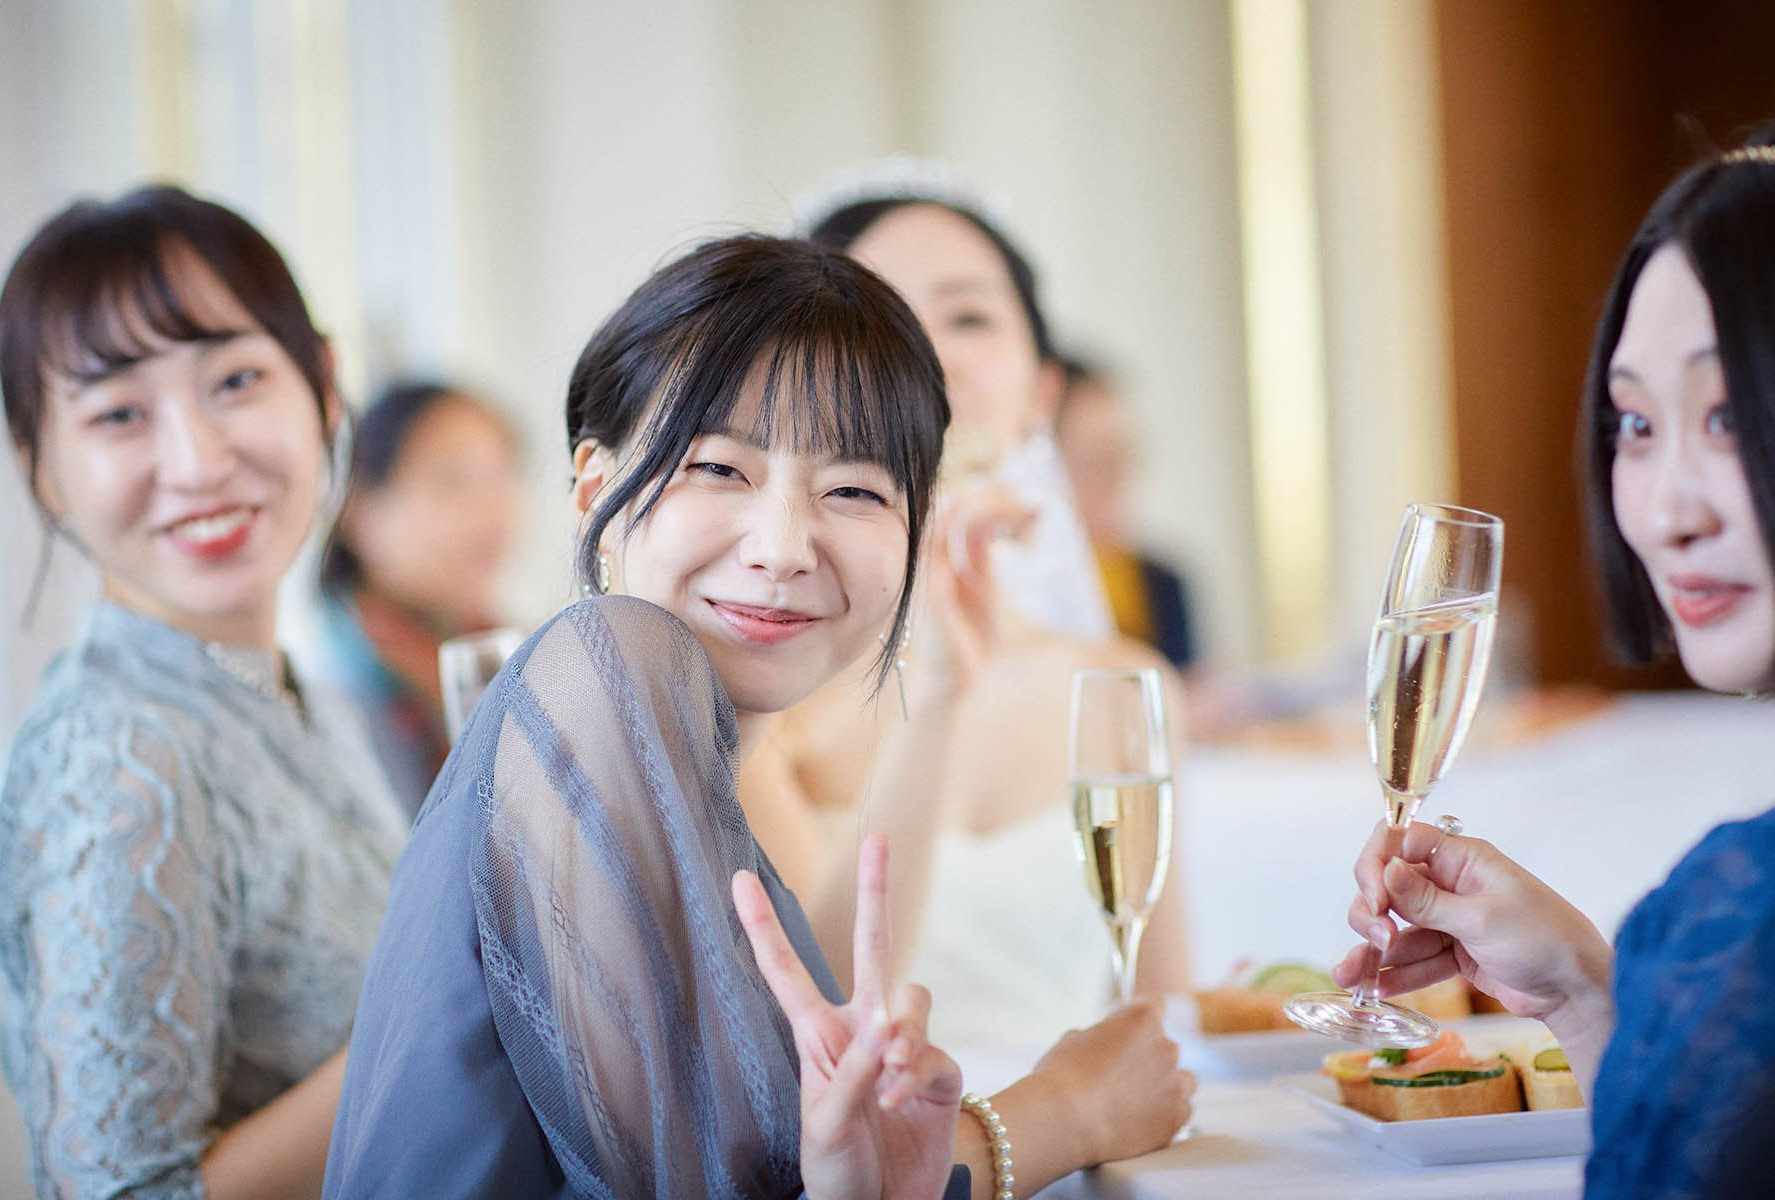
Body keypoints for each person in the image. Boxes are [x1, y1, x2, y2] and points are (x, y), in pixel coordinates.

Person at [323, 235, 1194, 1198]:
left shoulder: (698, 773)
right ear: (594, 490)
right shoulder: (599, 668)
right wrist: (1056, 1114)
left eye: (854, 490)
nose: (782, 545)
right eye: (717, 469)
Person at [1334, 128, 1775, 1200]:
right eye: (1634, 423)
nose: (1668, 509)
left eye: (1725, 415)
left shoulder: (1735, 909)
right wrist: (1583, 994)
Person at [0, 185, 408, 1198]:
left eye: (236, 380)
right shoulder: (119, 757)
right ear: (43, 469)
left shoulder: (289, 689)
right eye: (120, 411)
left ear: (324, 388)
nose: (199, 461)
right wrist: (449, 1016)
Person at [735, 177, 1190, 1054]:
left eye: (969, 318)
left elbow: (1162, 1032)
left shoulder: (1125, 686)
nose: (926, 353)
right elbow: (824, 1020)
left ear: (1042, 395)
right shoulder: (757, 685)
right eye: (879, 314)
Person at [315, 379, 522, 814]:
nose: (492, 509)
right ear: (363, 514)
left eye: (501, 474)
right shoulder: (334, 692)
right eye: (452, 481)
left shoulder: (512, 653)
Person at [1055, 354, 1198, 670]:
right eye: (1094, 461)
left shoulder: (1164, 583)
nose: (1118, 478)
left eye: (1124, 454)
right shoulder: (1027, 591)